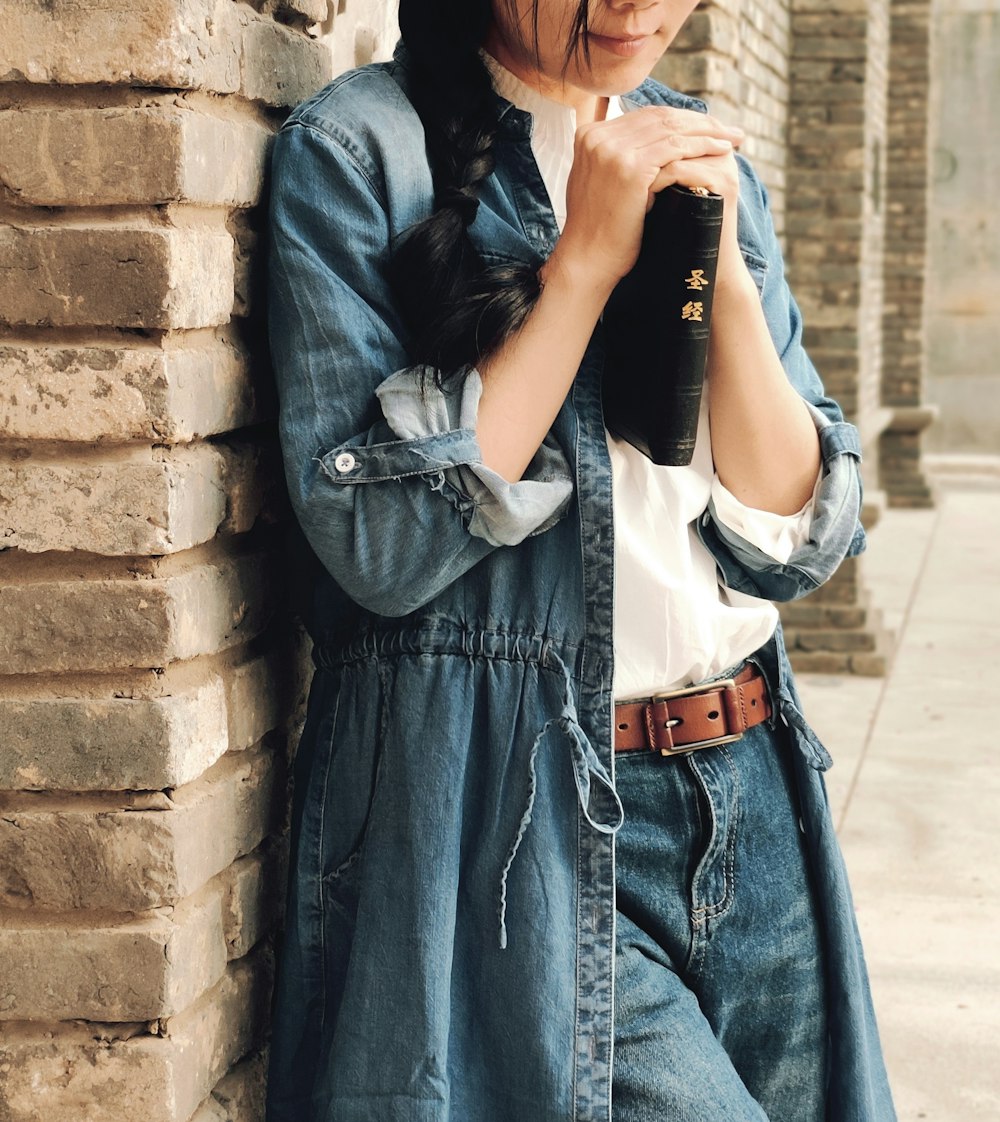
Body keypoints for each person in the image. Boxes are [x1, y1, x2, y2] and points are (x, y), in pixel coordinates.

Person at [264, 1, 897, 1118]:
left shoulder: (691, 141)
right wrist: (585, 266)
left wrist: (726, 275)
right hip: (520, 816)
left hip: (750, 793)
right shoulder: (361, 151)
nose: (633, 7)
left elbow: (797, 539)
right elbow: (380, 547)